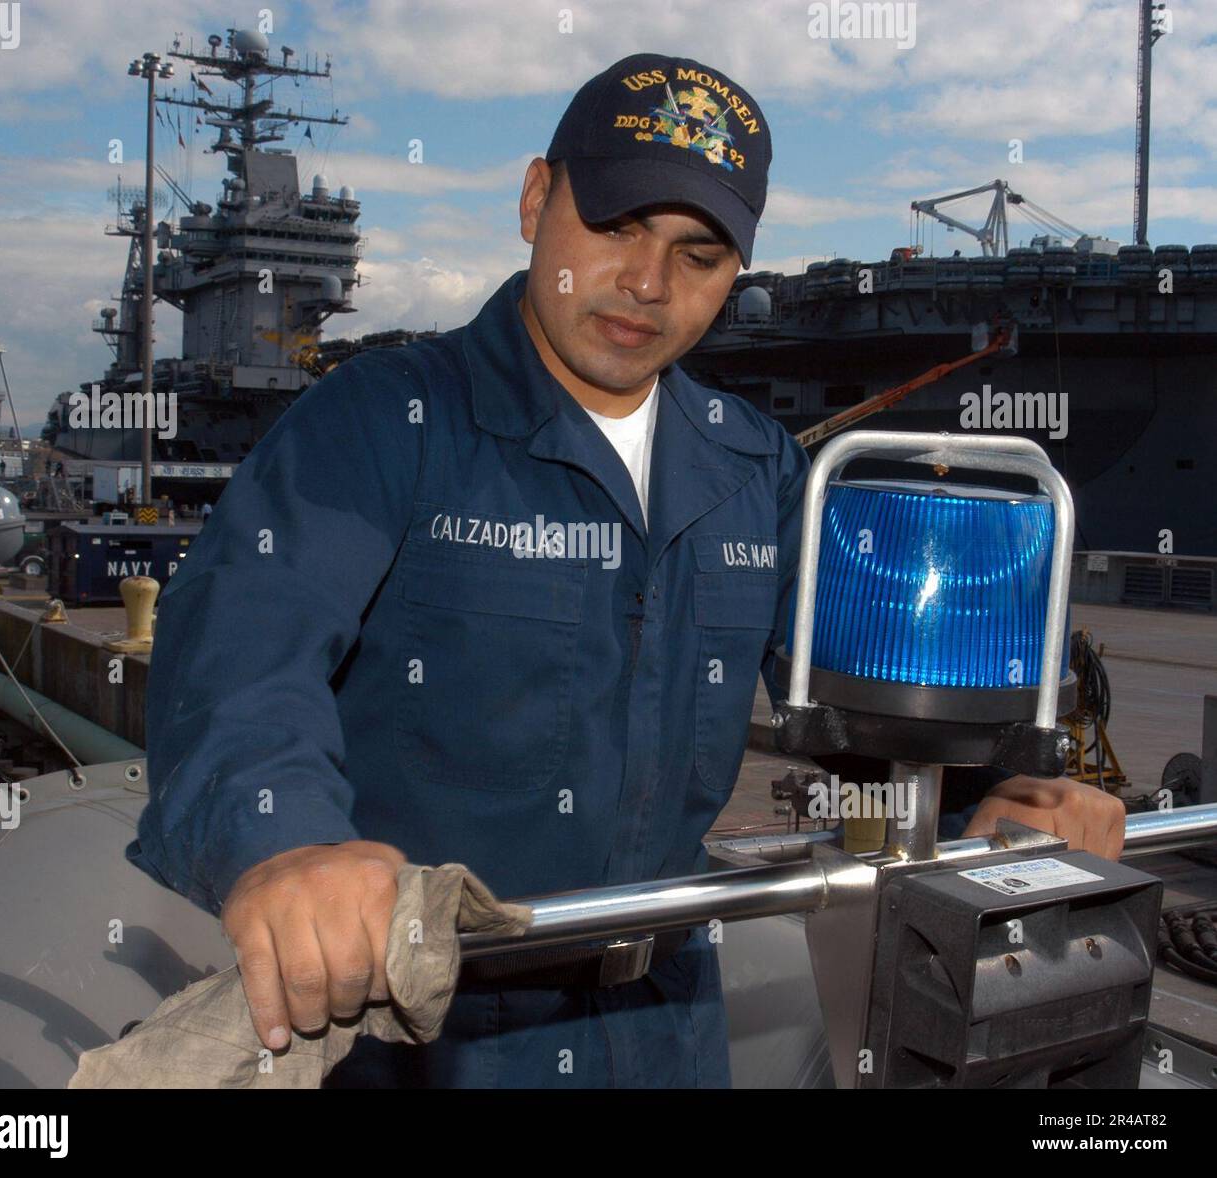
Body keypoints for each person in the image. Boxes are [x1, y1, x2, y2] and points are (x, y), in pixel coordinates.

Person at [127, 52, 1123, 1089]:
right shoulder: (381, 422)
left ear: (739, 269)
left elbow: (860, 696)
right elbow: (242, 654)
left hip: (667, 1018)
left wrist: (999, 798)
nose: (648, 284)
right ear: (534, 198)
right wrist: (281, 845)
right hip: (424, 1028)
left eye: (698, 253)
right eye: (614, 228)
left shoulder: (758, 470)